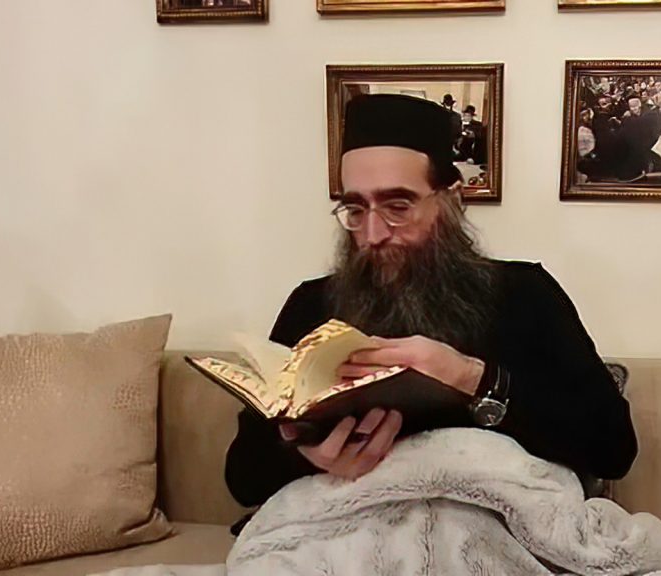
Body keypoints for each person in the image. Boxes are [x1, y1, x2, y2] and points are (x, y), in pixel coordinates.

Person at [224, 93, 638, 534]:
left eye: (398, 207)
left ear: (451, 200)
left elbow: (612, 449)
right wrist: (307, 456)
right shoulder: (312, 304)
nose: (373, 234)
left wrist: (470, 377)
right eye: (356, 209)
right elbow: (243, 478)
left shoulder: (525, 294)